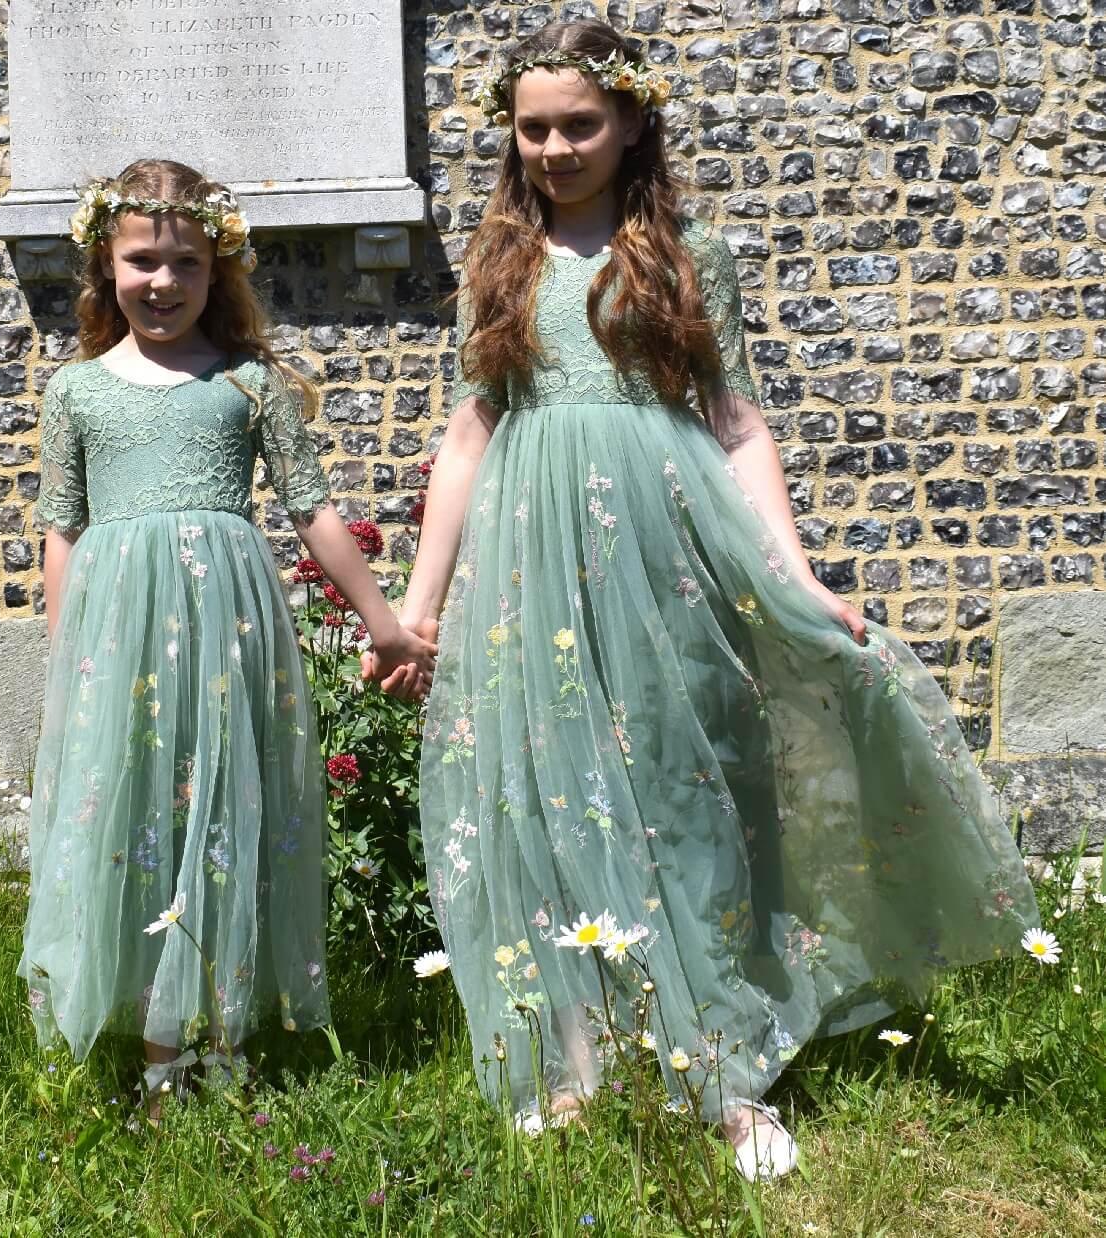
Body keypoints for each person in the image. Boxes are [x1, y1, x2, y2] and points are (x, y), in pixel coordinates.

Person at [365, 20, 1038, 1179]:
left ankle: (721, 1066)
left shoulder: (686, 255)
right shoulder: (499, 261)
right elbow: (469, 437)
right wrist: (419, 607)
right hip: (534, 567)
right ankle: (576, 1063)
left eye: (579, 123)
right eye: (533, 127)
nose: (556, 146)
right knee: (550, 791)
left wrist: (792, 571)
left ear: (631, 122)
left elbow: (735, 425)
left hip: (669, 552)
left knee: (691, 787)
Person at [18, 159, 435, 1113]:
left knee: (219, 810)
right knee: (138, 817)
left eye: (186, 264)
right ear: (104, 265)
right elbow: (62, 526)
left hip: (225, 630)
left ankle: (216, 1033)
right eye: (142, 262)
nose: (162, 283)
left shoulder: (248, 385)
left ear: (219, 271)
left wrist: (385, 623)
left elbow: (312, 509)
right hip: (118, 639)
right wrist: (64, 656)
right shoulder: (76, 393)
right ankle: (152, 1033)